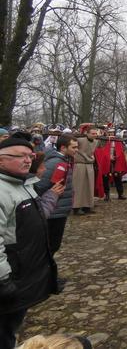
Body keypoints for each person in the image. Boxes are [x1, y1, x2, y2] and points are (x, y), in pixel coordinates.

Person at [0, 133, 64, 349]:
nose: (28, 160)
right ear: (1, 159)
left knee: (12, 328)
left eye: (30, 155)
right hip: (9, 278)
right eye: (20, 156)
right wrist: (3, 280)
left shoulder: (23, 184)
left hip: (24, 274)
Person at [34, 134, 78, 259]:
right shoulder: (55, 162)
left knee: (53, 245)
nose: (76, 150)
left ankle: (50, 275)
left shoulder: (64, 160)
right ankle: (48, 277)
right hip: (53, 212)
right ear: (63, 148)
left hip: (59, 210)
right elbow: (40, 186)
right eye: (74, 147)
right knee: (50, 245)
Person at [71, 125, 98, 215]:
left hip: (89, 166)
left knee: (89, 186)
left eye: (95, 133)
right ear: (87, 133)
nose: (94, 135)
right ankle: (76, 207)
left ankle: (87, 206)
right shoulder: (80, 140)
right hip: (80, 165)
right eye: (92, 133)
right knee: (79, 186)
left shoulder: (96, 141)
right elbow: (72, 145)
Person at [94, 132, 127, 201]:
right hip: (106, 162)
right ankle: (107, 195)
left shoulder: (118, 141)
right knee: (105, 178)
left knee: (118, 178)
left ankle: (120, 194)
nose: (111, 134)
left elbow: (124, 149)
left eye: (112, 132)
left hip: (116, 162)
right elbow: (97, 148)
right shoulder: (103, 140)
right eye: (109, 132)